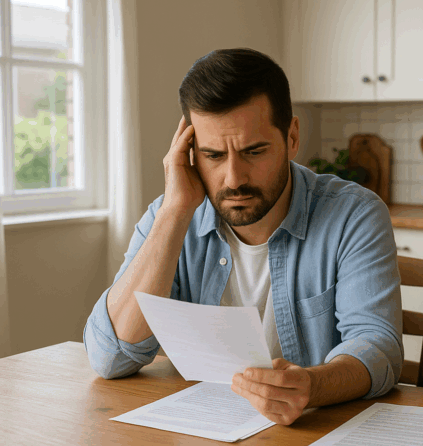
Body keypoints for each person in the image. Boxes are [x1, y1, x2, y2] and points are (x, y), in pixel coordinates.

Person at [83, 48, 403, 425]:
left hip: (309, 436)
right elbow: (110, 357)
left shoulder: (353, 214)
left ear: (293, 137)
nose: (233, 178)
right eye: (213, 155)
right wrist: (174, 213)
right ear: (188, 154)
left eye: (254, 151)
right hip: (202, 433)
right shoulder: (169, 214)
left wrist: (310, 386)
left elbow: (378, 347)